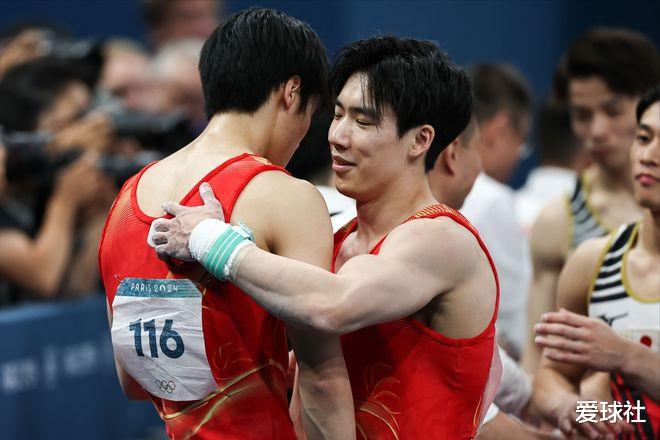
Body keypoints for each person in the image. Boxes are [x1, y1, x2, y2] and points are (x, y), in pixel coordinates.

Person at [152, 36, 502, 439]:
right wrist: (230, 239)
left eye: (362, 121)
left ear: (420, 140)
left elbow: (332, 305)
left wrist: (210, 239)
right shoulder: (337, 241)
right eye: (337, 115)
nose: (337, 135)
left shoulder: (442, 238)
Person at [99, 8, 353, 439]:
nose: (303, 134)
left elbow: (134, 381)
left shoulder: (125, 200)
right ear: (292, 92)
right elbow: (322, 380)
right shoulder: (285, 196)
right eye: (311, 114)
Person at [522, 28, 660, 374]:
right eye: (582, 115)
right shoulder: (558, 222)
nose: (597, 131)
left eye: (613, 111)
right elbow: (539, 358)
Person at [532, 84, 660, 440]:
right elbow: (552, 375)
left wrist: (627, 356)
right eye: (644, 138)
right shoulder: (592, 261)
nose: (648, 155)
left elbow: (621, 358)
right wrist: (570, 406)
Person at [460, 63, 533, 359]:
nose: (517, 157)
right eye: (521, 144)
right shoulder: (493, 200)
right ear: (499, 130)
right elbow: (515, 326)